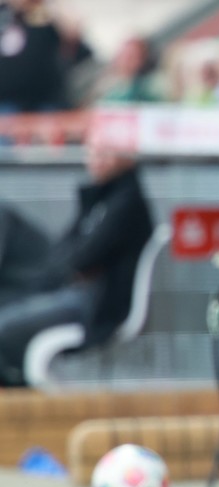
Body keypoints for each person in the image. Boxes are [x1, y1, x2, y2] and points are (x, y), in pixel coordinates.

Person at [0, 140, 153, 385]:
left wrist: (66, 270)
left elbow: (85, 256)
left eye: (106, 152)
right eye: (93, 153)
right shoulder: (100, 200)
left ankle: (18, 388)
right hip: (77, 294)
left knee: (6, 325)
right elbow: (67, 250)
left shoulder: (126, 202)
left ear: (128, 157)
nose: (97, 160)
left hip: (97, 307)